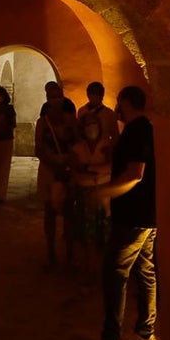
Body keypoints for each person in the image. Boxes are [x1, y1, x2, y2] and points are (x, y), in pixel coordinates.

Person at [79, 85, 160, 340]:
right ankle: (145, 333)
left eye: (119, 102)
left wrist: (105, 192)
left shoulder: (137, 130)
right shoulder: (143, 129)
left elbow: (135, 174)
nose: (116, 107)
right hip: (148, 216)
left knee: (114, 275)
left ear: (127, 102)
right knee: (146, 273)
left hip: (132, 217)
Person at [68, 82, 118, 282]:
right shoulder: (78, 146)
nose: (91, 127)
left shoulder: (107, 138)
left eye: (94, 124)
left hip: (103, 191)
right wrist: (93, 172)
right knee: (86, 232)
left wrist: (90, 170)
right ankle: (89, 269)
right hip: (86, 192)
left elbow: (110, 164)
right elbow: (76, 171)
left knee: (104, 232)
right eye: (88, 125)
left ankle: (104, 270)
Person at [34, 82, 78, 270]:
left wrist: (67, 163)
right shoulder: (42, 122)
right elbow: (39, 149)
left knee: (69, 213)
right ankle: (51, 252)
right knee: (50, 212)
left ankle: (69, 253)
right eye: (51, 97)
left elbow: (77, 145)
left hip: (66, 170)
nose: (55, 101)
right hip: (49, 171)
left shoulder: (71, 121)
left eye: (57, 96)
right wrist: (54, 164)